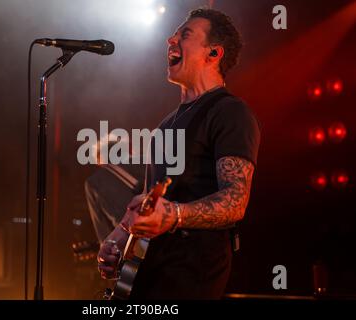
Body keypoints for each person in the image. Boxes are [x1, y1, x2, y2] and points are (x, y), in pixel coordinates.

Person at [97, 8, 261, 299]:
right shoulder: (165, 125)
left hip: (193, 274)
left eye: (185, 34)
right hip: (152, 271)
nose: (170, 39)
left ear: (213, 54)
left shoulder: (230, 112)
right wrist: (121, 234)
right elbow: (149, 199)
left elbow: (236, 201)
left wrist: (174, 215)